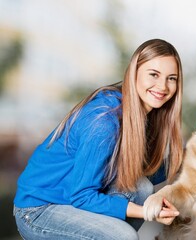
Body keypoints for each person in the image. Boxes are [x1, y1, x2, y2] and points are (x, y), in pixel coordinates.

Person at [13, 39, 183, 240]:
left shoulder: (143, 116)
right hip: (39, 209)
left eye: (171, 78)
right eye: (154, 74)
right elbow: (82, 195)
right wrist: (146, 211)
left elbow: (146, 171)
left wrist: (194, 162)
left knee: (142, 187)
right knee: (123, 236)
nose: (162, 86)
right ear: (134, 73)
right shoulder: (104, 121)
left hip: (71, 199)